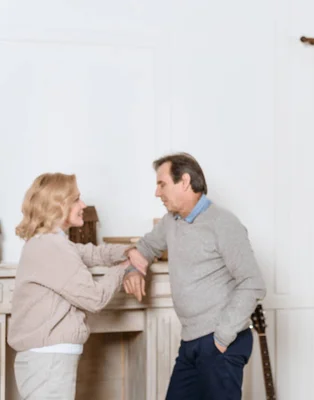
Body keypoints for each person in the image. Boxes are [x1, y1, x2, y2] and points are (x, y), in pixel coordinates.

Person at [123, 152, 266, 400]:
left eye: (162, 184)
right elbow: (145, 247)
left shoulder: (223, 223)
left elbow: (252, 284)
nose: (157, 193)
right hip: (190, 341)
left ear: (185, 182)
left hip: (221, 342)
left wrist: (221, 338)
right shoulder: (171, 221)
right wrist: (134, 269)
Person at [8, 173, 144, 399]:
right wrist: (125, 267)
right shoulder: (50, 247)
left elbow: (91, 253)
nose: (83, 205)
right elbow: (94, 298)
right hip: (48, 361)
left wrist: (128, 251)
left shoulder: (53, 243)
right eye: (76, 199)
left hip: (48, 359)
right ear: (58, 205)